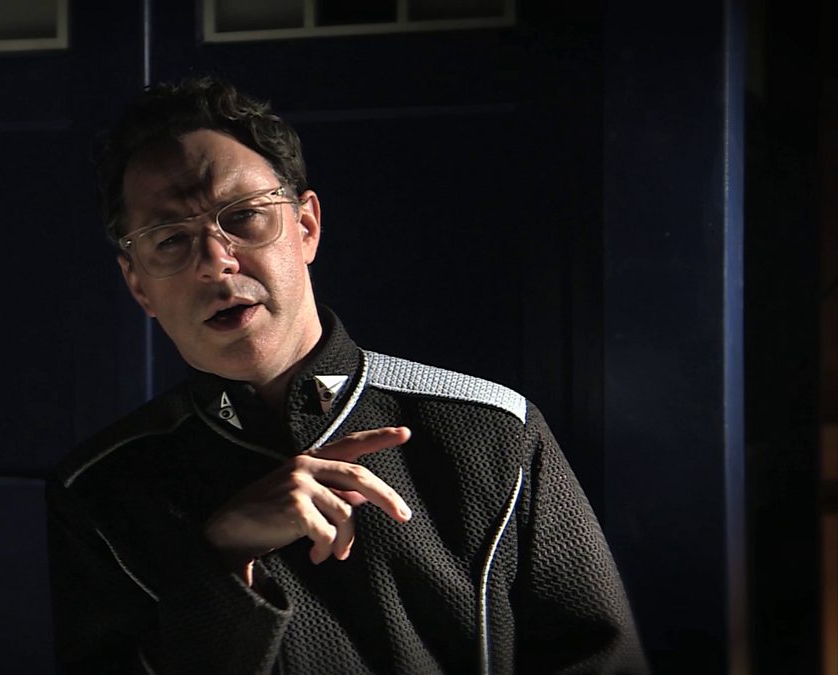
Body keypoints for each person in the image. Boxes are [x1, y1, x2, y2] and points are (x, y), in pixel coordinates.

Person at [46, 76, 648, 674]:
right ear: (138, 285)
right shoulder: (100, 490)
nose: (215, 262)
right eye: (170, 239)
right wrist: (220, 561)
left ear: (306, 226)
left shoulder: (492, 431)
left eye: (245, 216)